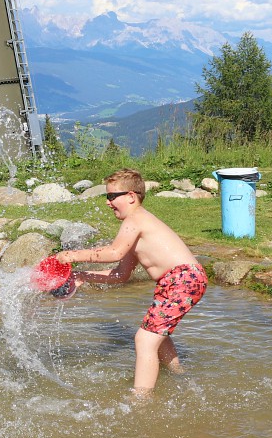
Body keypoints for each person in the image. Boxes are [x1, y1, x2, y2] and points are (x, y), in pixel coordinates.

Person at [52, 168, 207, 398]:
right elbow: (120, 274)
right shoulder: (136, 228)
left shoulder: (135, 219)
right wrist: (82, 276)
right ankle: (179, 375)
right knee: (155, 333)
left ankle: (141, 401)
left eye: (112, 196)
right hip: (179, 280)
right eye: (107, 197)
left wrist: (73, 256)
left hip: (182, 278)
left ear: (131, 196)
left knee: (144, 339)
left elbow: (113, 252)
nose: (108, 202)